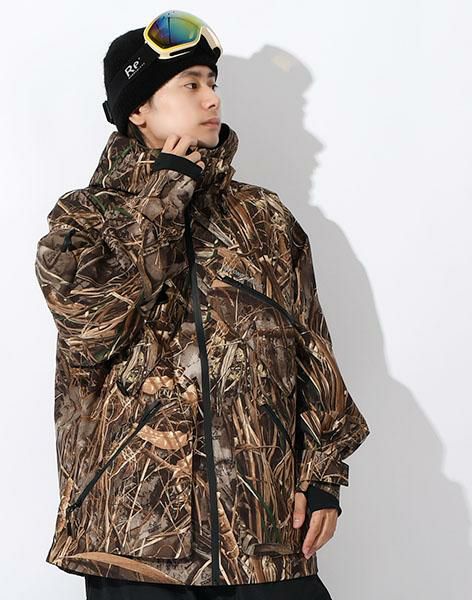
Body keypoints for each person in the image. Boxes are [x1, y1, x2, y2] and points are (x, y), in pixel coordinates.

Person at [34, 9, 371, 600]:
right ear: (138, 109)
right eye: (189, 84)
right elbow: (91, 326)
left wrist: (322, 475)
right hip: (136, 545)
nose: (211, 97)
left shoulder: (263, 218)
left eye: (212, 82)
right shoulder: (83, 220)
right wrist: (165, 192)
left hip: (261, 537)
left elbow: (311, 351)